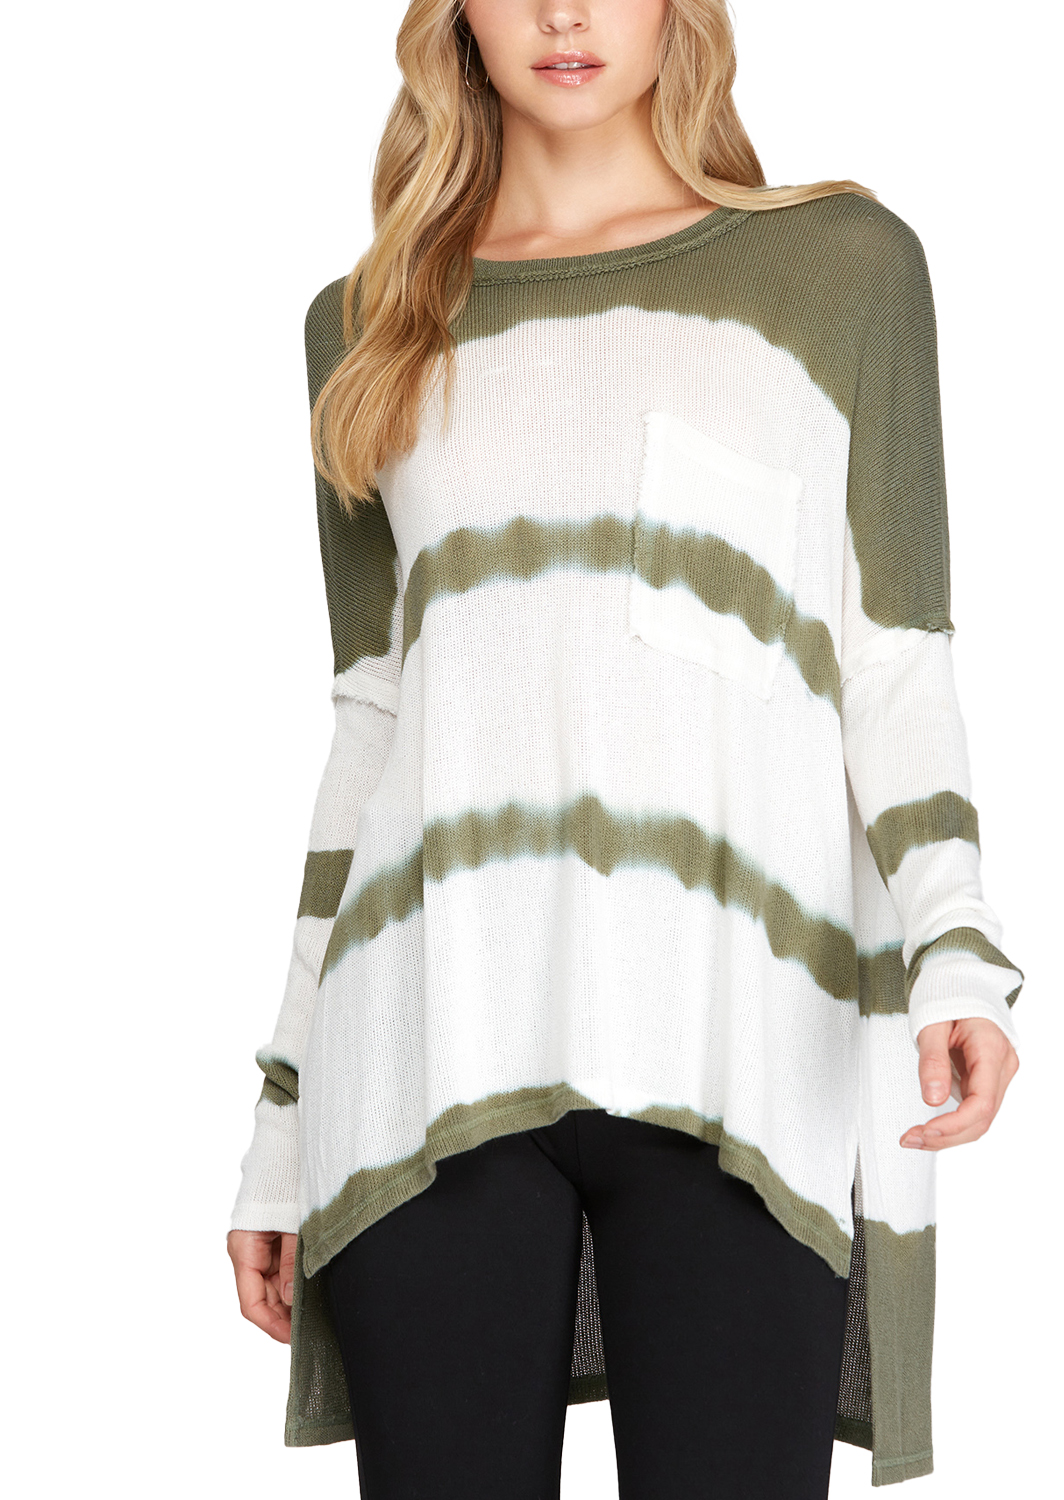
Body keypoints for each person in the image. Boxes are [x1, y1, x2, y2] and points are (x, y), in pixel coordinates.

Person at [227, 2, 1023, 1495]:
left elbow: (893, 662)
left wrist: (957, 950)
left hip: (738, 1046)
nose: (566, 13)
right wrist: (280, 1125)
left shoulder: (840, 270)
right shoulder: (370, 321)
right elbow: (373, 720)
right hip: (426, 1047)